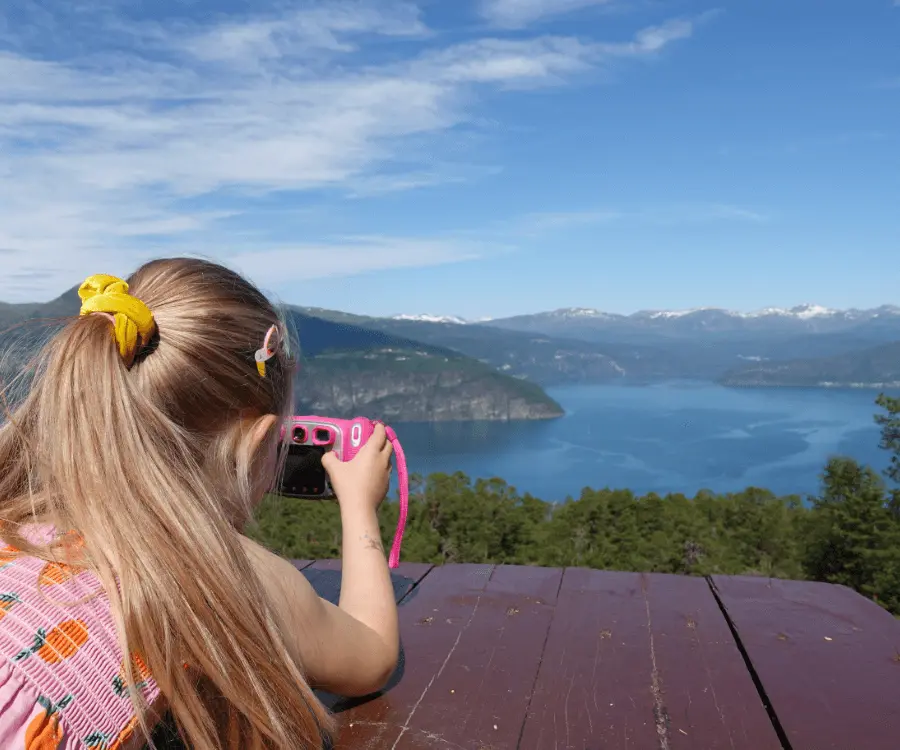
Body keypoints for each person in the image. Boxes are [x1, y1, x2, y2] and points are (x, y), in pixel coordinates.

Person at [0, 258, 400, 749]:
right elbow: (374, 655)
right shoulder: (232, 576)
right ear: (258, 442)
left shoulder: (19, 518)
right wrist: (359, 504)